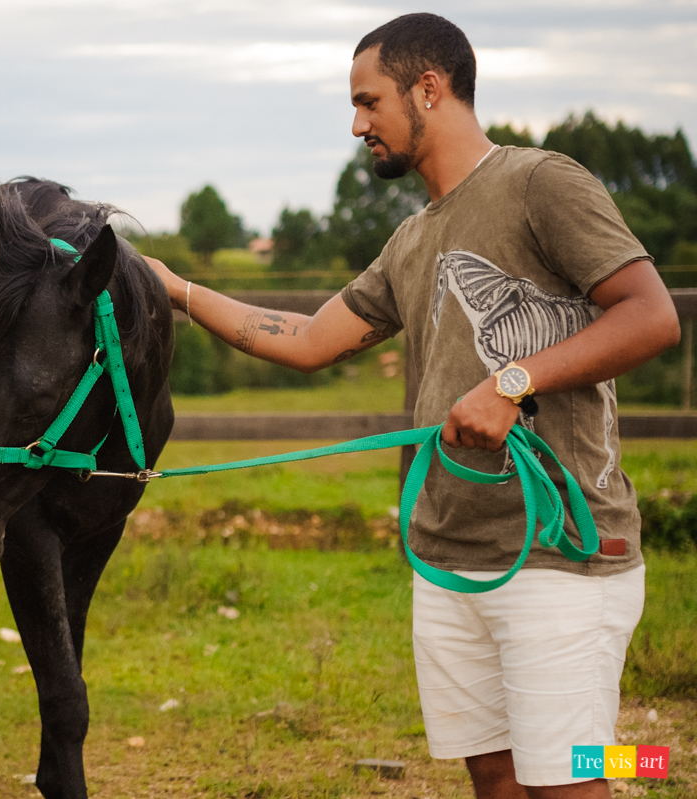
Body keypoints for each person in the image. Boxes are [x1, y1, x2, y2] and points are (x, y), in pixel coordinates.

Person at [145, 13, 680, 799]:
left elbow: (651, 314)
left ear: (429, 89)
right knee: (496, 776)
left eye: (369, 102)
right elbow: (306, 340)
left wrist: (512, 382)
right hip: (450, 553)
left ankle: (654, 765)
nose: (357, 124)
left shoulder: (541, 182)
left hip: (561, 552)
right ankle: (644, 761)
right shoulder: (410, 239)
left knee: (567, 780)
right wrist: (177, 289)